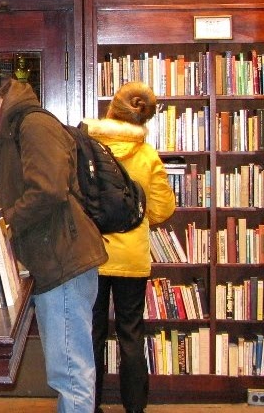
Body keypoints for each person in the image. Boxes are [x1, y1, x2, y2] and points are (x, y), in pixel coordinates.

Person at [0, 77, 108, 413]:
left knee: (71, 373)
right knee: (69, 370)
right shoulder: (14, 130)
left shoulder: (32, 125)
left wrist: (5, 223)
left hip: (63, 262)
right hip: (55, 260)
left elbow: (48, 190)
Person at [81, 82, 176, 413]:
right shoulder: (147, 156)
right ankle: (135, 407)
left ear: (112, 109)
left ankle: (88, 405)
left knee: (91, 333)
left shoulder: (86, 148)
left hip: (92, 253)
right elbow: (163, 210)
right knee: (131, 332)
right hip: (132, 256)